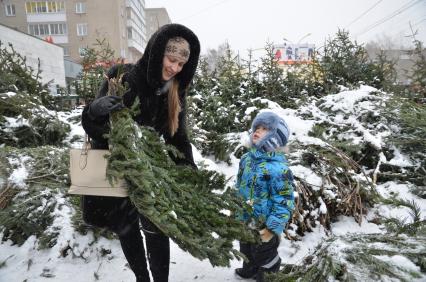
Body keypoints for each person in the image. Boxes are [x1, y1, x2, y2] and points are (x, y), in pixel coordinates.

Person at [81, 23, 200, 282]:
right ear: (157, 52)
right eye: (172, 59)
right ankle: (141, 278)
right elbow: (96, 129)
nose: (175, 68)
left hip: (152, 172)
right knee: (127, 229)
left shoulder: (175, 92)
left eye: (181, 64)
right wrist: (94, 111)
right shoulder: (123, 77)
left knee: (157, 229)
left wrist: (189, 167)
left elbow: (178, 137)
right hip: (119, 168)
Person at [235, 111, 295, 282]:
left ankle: (269, 274)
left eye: (265, 129)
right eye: (257, 127)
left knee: (264, 254)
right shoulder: (246, 159)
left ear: (275, 138)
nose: (257, 131)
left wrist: (272, 228)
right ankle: (250, 269)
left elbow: (284, 202)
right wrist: (235, 207)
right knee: (245, 247)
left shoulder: (278, 169)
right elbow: (240, 185)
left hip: (265, 223)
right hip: (246, 217)